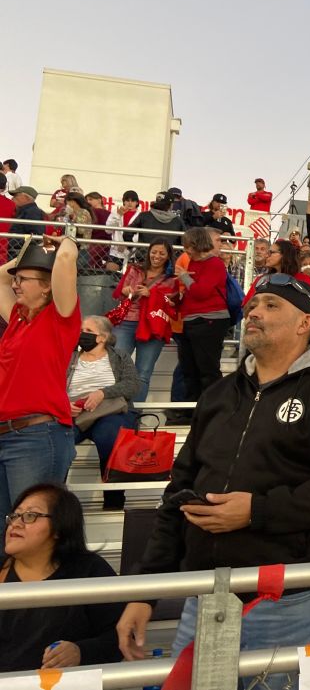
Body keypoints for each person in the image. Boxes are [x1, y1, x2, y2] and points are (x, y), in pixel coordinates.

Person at [117, 275, 310, 680]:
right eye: (254, 304)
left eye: (272, 304)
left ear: (304, 322)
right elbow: (178, 492)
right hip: (204, 594)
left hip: (285, 598)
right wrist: (144, 593)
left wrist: (259, 511)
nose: (254, 311)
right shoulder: (219, 395)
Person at [1, 483, 123, 671]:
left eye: (30, 516)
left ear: (59, 527)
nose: (16, 523)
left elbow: (119, 637)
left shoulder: (90, 570)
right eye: (15, 515)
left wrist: (81, 652)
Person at [0, 237, 80, 518]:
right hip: (7, 433)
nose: (15, 284)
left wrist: (65, 242)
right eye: (16, 278)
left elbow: (67, 259)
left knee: (34, 530)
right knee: (6, 535)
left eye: (23, 279)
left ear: (47, 286)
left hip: (36, 436)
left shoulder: (60, 320)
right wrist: (27, 254)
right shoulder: (19, 319)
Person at [66, 315, 139, 509]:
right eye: (82, 329)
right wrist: (64, 403)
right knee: (59, 444)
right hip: (73, 412)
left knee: (110, 438)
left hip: (109, 411)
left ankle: (113, 502)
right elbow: (52, 384)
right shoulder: (69, 356)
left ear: (103, 337)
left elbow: (132, 385)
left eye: (88, 331)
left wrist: (102, 393)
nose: (82, 334)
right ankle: (56, 500)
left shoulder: (119, 356)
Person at [112, 238, 178, 404]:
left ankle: (133, 414)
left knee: (143, 373)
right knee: (116, 368)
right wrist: (127, 290)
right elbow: (119, 293)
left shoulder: (172, 278)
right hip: (127, 321)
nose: (157, 256)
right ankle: (114, 411)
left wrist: (152, 294)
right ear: (148, 252)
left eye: (162, 253)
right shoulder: (135, 270)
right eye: (154, 252)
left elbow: (173, 303)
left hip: (152, 326)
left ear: (168, 256)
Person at [175, 227, 232, 410]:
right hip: (192, 320)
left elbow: (201, 292)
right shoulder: (193, 263)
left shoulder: (214, 264)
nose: (186, 250)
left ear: (197, 244)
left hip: (209, 320)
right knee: (189, 369)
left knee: (207, 368)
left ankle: (214, 409)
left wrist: (184, 277)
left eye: (188, 246)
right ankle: (194, 409)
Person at [105, 190, 141, 270]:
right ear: (123, 201)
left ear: (137, 203)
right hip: (116, 252)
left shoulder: (141, 216)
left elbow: (139, 235)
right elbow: (108, 230)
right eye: (127, 200)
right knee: (110, 275)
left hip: (132, 253)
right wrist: (118, 215)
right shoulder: (116, 212)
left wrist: (127, 245)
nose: (130, 203)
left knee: (129, 279)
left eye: (133, 201)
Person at [9, 186, 45, 258]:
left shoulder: (32, 212)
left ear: (26, 198)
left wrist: (17, 243)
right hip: (17, 252)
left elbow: (36, 235)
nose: (12, 199)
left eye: (16, 196)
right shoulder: (26, 211)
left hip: (20, 254)